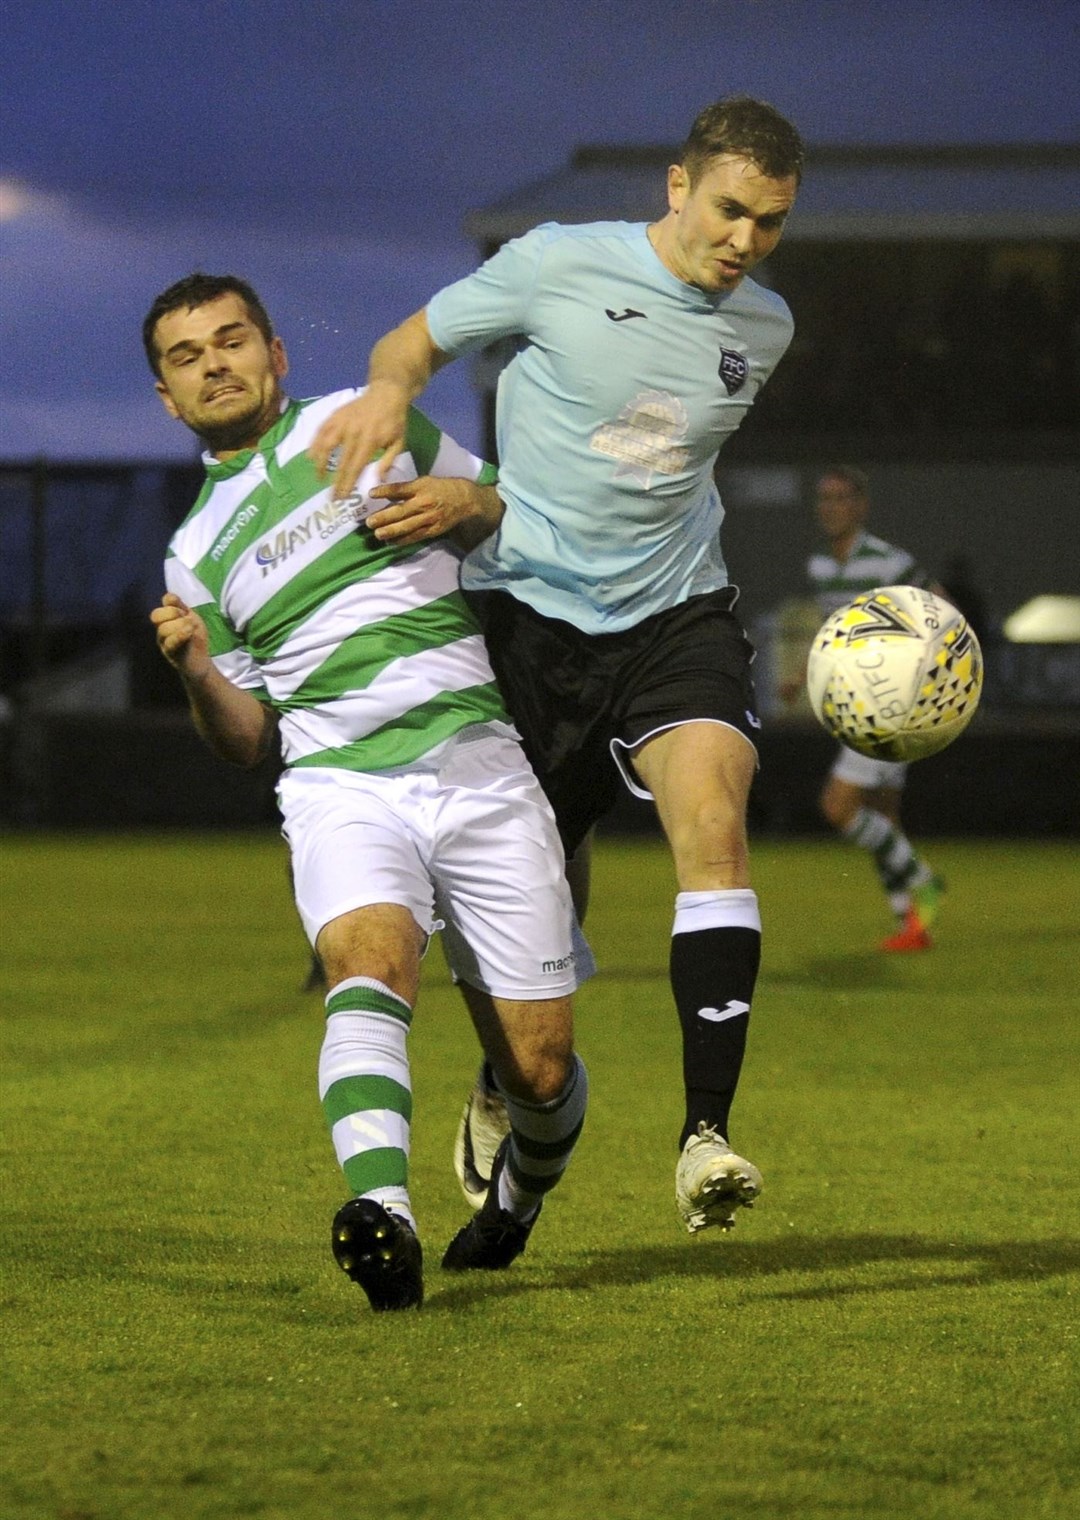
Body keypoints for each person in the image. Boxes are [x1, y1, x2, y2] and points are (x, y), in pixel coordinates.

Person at [308, 95, 805, 1235]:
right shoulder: (552, 265)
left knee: (715, 823)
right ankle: (502, 1082)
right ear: (677, 188)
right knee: (546, 881)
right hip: (530, 629)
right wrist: (391, 391)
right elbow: (413, 341)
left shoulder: (765, 331)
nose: (744, 242)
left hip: (680, 618)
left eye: (769, 224)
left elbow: (652, 464)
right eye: (730, 211)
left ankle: (705, 1134)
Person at [144, 272, 589, 1311]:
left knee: (539, 1066)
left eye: (232, 338)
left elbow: (520, 519)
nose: (215, 362)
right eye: (186, 355)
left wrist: (469, 502)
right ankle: (382, 1216)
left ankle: (516, 1201)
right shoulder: (194, 552)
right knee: (369, 961)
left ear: (276, 353)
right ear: (168, 398)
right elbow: (248, 738)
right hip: (341, 782)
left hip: (481, 765)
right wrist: (199, 670)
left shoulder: (371, 420)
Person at [789, 464, 946, 951]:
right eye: (824, 498)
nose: (830, 507)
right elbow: (835, 625)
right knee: (884, 817)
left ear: (861, 505)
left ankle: (925, 878)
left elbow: (941, 608)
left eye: (840, 498)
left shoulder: (887, 561)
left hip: (887, 703)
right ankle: (912, 925)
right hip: (856, 699)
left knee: (838, 807)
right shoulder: (821, 564)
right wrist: (803, 674)